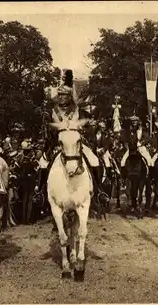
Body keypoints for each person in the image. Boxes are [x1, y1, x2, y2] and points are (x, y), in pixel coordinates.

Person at [42, 68, 107, 204]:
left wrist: (83, 132)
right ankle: (41, 192)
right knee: (42, 164)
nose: (61, 97)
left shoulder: (79, 112)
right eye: (59, 95)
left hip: (76, 144)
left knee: (94, 160)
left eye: (64, 95)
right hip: (58, 144)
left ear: (69, 96)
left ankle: (99, 190)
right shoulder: (52, 112)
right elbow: (47, 130)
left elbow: (87, 127)